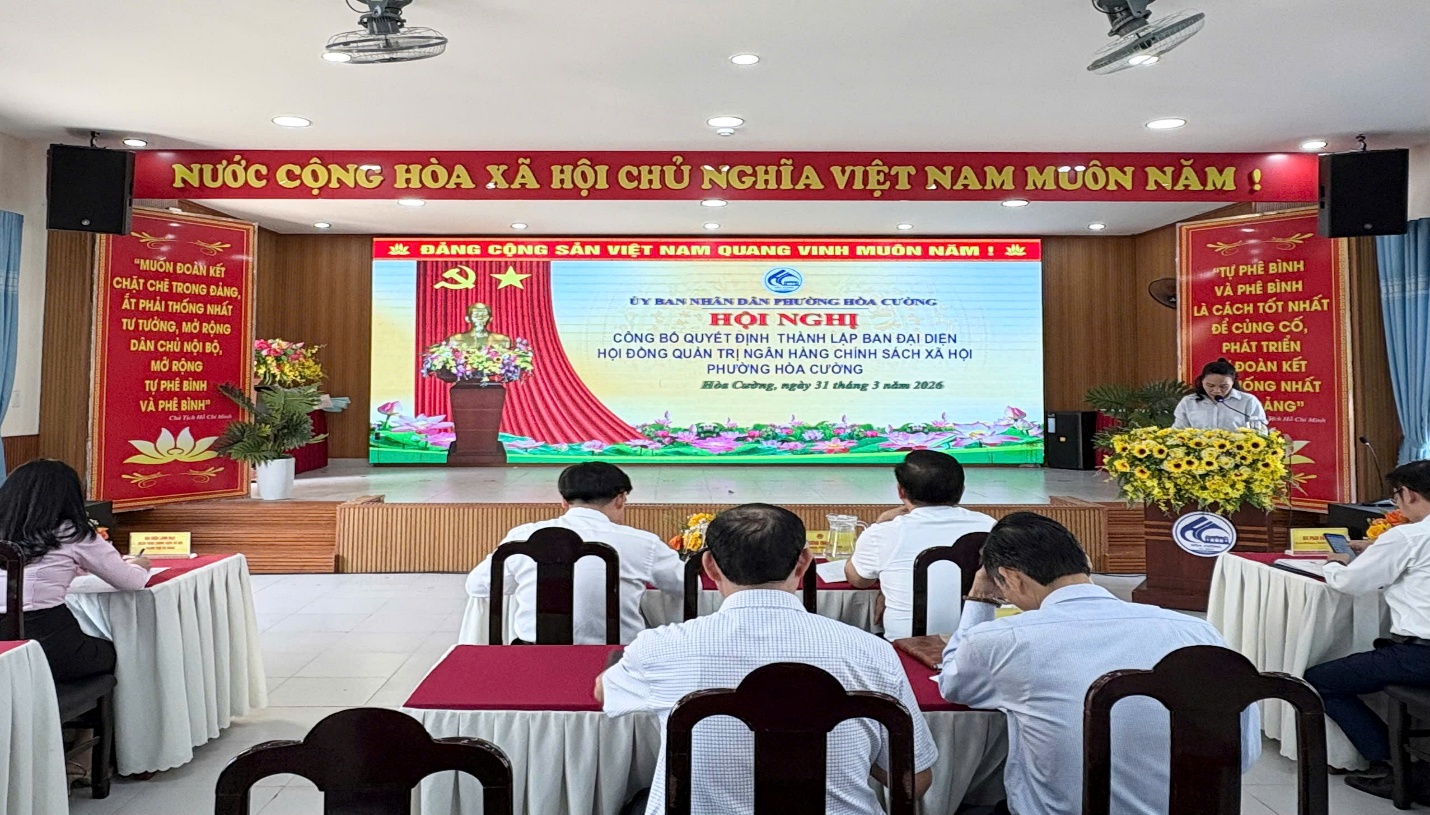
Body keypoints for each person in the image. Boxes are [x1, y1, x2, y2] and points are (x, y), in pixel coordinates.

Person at [597, 503, 937, 815]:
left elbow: (604, 692)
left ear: (709, 566)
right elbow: (915, 780)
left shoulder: (660, 648)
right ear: (804, 562)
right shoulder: (872, 651)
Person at [936, 512, 1258, 815]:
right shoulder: (1197, 632)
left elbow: (953, 684)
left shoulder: (1007, 639)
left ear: (1010, 578)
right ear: (1087, 562)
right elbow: (1243, 754)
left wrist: (980, 598)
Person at [1305, 460, 1430, 800]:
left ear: (1410, 494)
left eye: (1396, 496)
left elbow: (1350, 584)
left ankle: (1395, 765)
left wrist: (1336, 565)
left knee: (1320, 680)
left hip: (1419, 656)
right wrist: (1376, 548)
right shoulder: (1405, 538)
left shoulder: (1407, 536)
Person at [466, 462, 682, 644]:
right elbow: (687, 585)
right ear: (620, 499)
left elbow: (477, 585)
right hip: (617, 658)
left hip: (532, 654)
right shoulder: (643, 542)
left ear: (563, 501)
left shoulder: (523, 536)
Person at [0, 459, 151, 682]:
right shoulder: (71, 533)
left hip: (5, 650)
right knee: (121, 652)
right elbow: (131, 581)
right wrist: (139, 564)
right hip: (46, 642)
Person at [844, 450, 996, 640]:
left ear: (901, 491)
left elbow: (858, 580)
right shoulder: (990, 526)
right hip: (978, 645)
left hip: (905, 647)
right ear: (962, 490)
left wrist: (879, 523)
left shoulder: (884, 532)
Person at [1172, 358, 1268, 431]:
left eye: (1223, 386)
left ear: (1233, 382)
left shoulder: (1248, 401)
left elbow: (1260, 433)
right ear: (1202, 381)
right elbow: (1178, 431)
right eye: (1210, 385)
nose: (1217, 391)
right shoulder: (1189, 402)